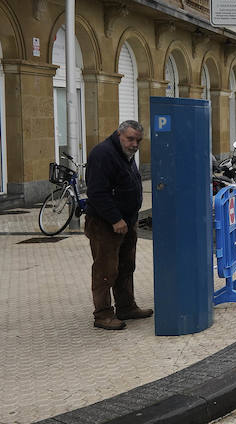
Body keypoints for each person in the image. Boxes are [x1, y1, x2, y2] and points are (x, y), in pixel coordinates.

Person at [84, 120, 153, 330]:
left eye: (138, 140)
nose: (134, 144)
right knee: (106, 269)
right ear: (119, 134)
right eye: (130, 138)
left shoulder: (125, 154)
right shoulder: (103, 154)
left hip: (127, 221)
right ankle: (103, 315)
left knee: (126, 266)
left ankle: (126, 306)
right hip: (106, 224)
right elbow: (96, 192)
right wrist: (115, 219)